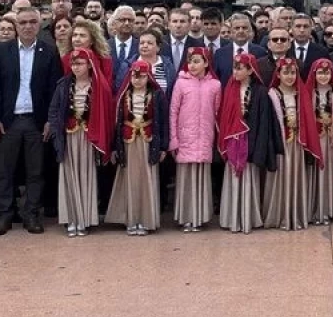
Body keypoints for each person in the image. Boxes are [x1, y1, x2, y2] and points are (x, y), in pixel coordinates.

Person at [0, 7, 62, 235]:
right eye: (23, 22)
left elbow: (53, 90)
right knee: (3, 170)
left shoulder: (48, 52)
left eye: (32, 22)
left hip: (35, 121)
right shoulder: (1, 51)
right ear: (16, 25)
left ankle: (31, 213)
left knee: (35, 171)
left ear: (39, 25)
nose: (27, 26)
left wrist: (51, 120)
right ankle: (5, 214)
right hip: (8, 121)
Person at [48, 48, 113, 237]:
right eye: (73, 63)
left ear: (89, 65)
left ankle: (85, 218)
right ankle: (72, 218)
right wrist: (55, 131)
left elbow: (106, 115)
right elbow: (54, 110)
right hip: (69, 136)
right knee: (69, 175)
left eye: (80, 64)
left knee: (86, 175)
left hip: (88, 138)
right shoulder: (63, 85)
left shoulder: (99, 86)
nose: (76, 67)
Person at [217, 53, 282, 234]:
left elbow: (263, 122)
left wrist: (257, 145)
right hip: (233, 141)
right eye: (234, 68)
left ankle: (248, 218)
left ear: (250, 70)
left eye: (239, 68)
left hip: (250, 141)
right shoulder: (229, 88)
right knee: (233, 177)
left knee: (249, 178)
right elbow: (224, 117)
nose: (235, 71)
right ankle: (232, 218)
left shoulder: (261, 92)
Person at [105, 60, 167, 235]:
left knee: (147, 180)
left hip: (148, 143)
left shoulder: (157, 96)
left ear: (149, 77)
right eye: (134, 75)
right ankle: (131, 219)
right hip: (128, 143)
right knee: (130, 180)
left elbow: (162, 123)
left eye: (141, 76)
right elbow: (115, 124)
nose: (137, 79)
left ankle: (146, 220)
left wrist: (163, 146)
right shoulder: (123, 96)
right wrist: (114, 148)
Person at [263, 57, 321, 231]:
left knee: (295, 176)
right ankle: (279, 215)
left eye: (293, 72)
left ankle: (296, 215)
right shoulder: (272, 94)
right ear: (278, 74)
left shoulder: (302, 93)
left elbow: (308, 121)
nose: (289, 76)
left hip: (297, 145)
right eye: (285, 72)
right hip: (280, 145)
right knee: (280, 178)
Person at [168, 46, 219, 232]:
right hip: (185, 138)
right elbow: (173, 111)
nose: (192, 65)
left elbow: (216, 112)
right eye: (190, 61)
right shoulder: (181, 83)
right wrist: (174, 139)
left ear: (206, 63)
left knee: (201, 178)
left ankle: (200, 216)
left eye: (197, 61)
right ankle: (185, 216)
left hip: (204, 137)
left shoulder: (215, 85)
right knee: (186, 179)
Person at [308, 59, 333, 226]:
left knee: (329, 172)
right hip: (315, 139)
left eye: (327, 73)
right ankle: (314, 209)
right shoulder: (309, 92)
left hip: (330, 139)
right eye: (320, 73)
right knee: (314, 173)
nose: (323, 76)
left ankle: (328, 209)